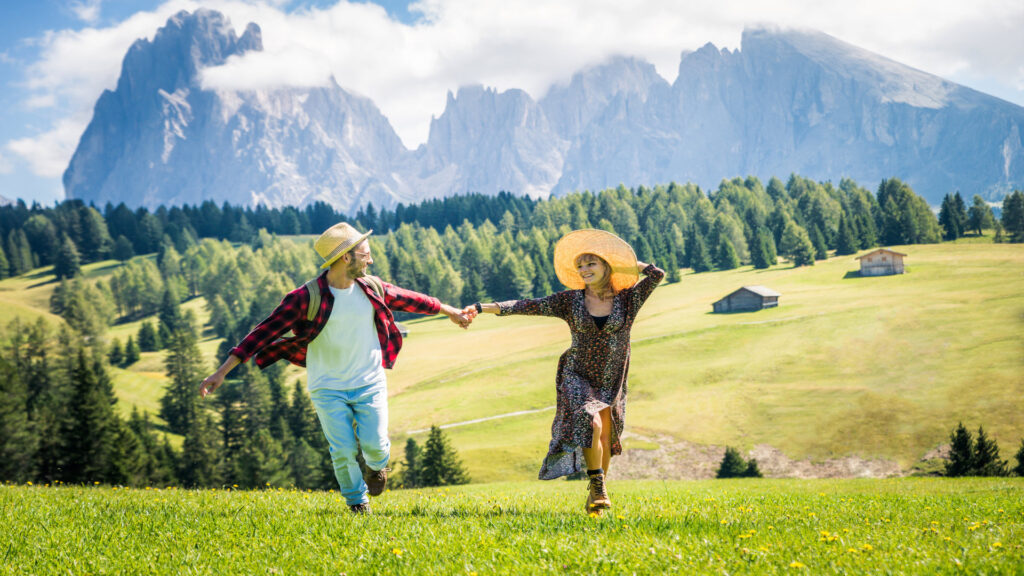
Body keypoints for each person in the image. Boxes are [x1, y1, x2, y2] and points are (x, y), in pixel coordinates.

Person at [199, 222, 473, 514]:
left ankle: (377, 468)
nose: (371, 259)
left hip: (369, 381)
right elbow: (262, 333)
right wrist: (222, 372)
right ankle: (357, 502)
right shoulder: (305, 298)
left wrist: (452, 312)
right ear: (346, 258)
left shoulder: (373, 288)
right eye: (365, 254)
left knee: (377, 447)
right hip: (327, 386)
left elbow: (413, 300)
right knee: (342, 450)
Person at [465, 229, 664, 514]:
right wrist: (482, 307)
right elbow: (527, 305)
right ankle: (597, 484)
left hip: (612, 378)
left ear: (606, 265)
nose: (584, 270)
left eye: (591, 263)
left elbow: (657, 275)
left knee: (606, 435)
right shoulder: (570, 301)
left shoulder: (627, 300)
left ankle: (595, 499)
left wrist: (628, 263)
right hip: (576, 373)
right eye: (580, 266)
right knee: (590, 421)